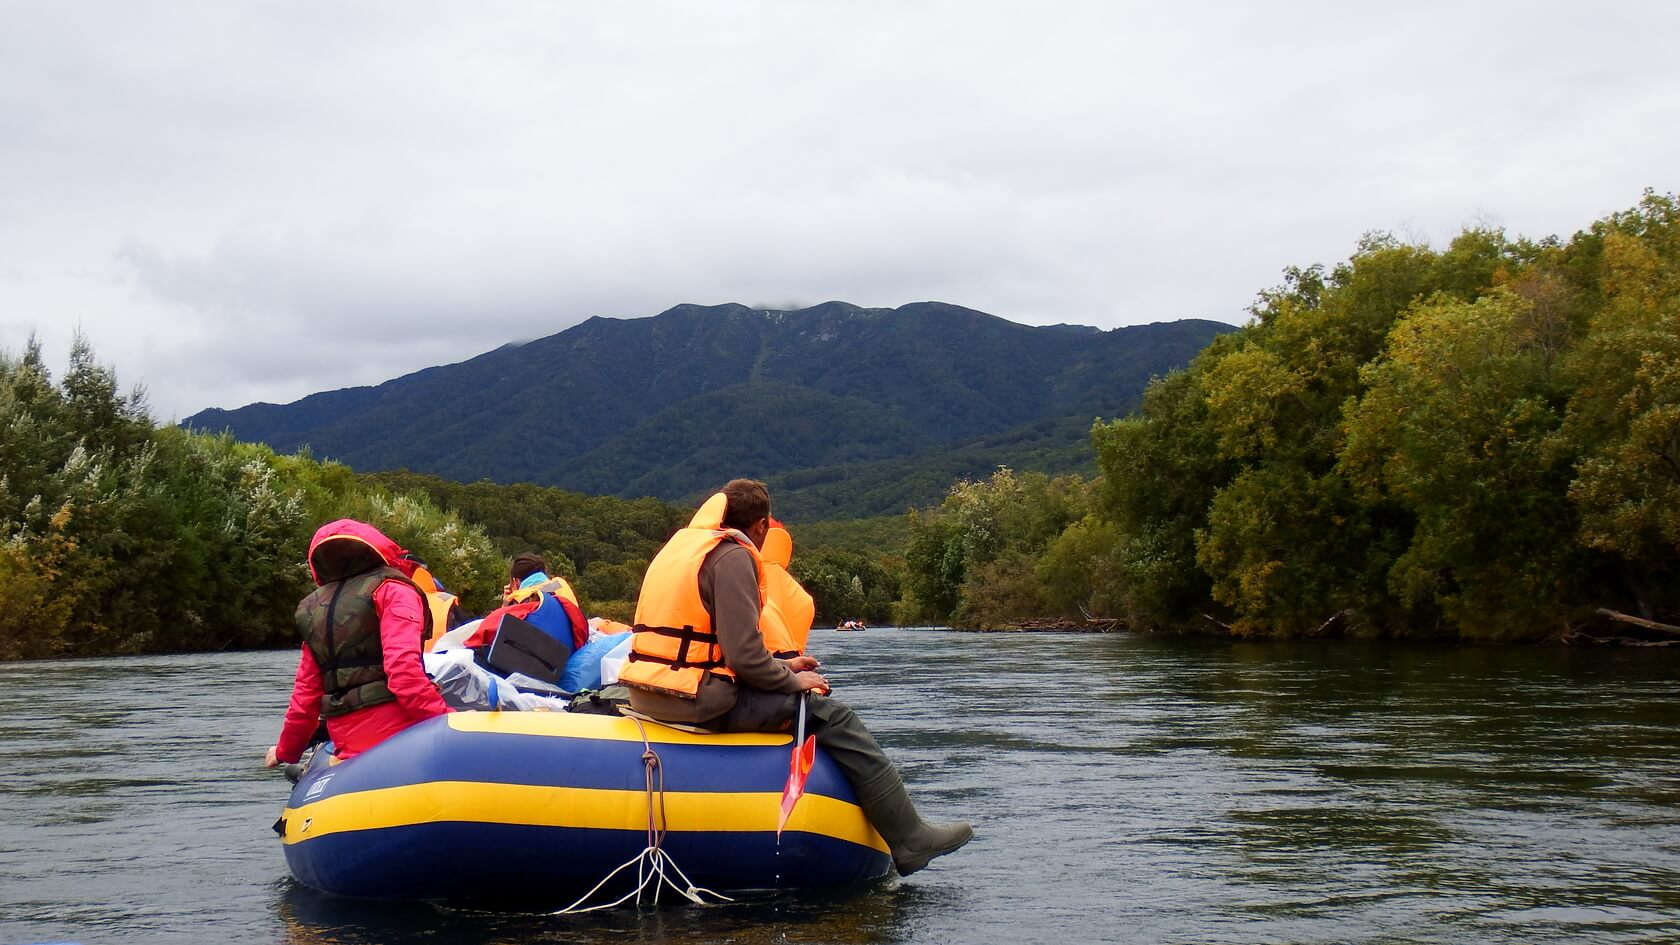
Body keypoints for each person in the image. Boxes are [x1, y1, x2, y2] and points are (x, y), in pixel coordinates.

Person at [620, 479, 972, 876]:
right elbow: (745, 657)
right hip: (694, 700)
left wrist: (784, 667)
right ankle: (911, 840)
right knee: (833, 715)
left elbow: (713, 651)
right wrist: (793, 682)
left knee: (795, 692)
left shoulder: (679, 549)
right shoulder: (730, 556)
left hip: (649, 691)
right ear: (761, 525)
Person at [264, 520, 452, 769]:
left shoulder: (315, 609)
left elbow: (305, 695)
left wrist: (285, 751)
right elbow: (403, 673)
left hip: (348, 744)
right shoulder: (393, 590)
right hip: (400, 736)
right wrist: (447, 722)